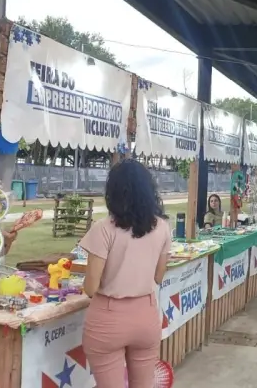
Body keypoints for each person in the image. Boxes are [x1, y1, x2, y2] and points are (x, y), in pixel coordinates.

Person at [80, 159, 171, 388]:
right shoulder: (162, 227)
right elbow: (158, 277)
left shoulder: (103, 228)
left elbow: (90, 288)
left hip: (108, 319)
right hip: (146, 315)